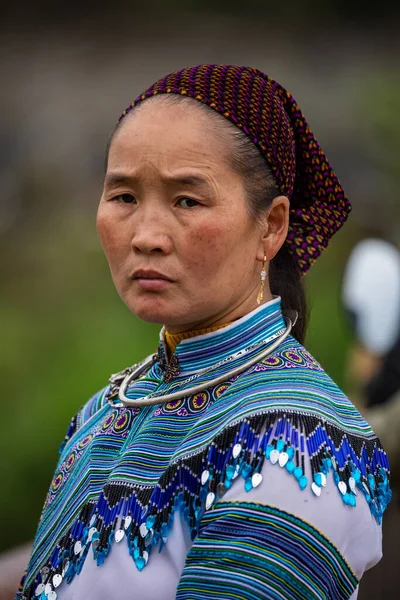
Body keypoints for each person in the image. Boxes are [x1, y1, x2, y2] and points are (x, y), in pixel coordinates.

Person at [16, 65, 391, 600]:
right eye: (123, 197)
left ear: (272, 225)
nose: (145, 236)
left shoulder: (296, 446)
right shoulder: (104, 411)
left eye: (187, 200)